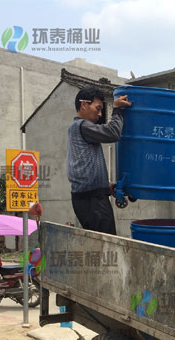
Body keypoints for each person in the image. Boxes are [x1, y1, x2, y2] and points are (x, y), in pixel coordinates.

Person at [67, 86, 132, 235]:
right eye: (98, 108)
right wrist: (117, 110)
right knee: (106, 242)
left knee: (100, 240)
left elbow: (85, 164)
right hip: (92, 200)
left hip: (89, 197)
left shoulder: (77, 129)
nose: (100, 114)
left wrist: (106, 186)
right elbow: (113, 133)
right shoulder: (82, 126)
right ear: (84, 104)